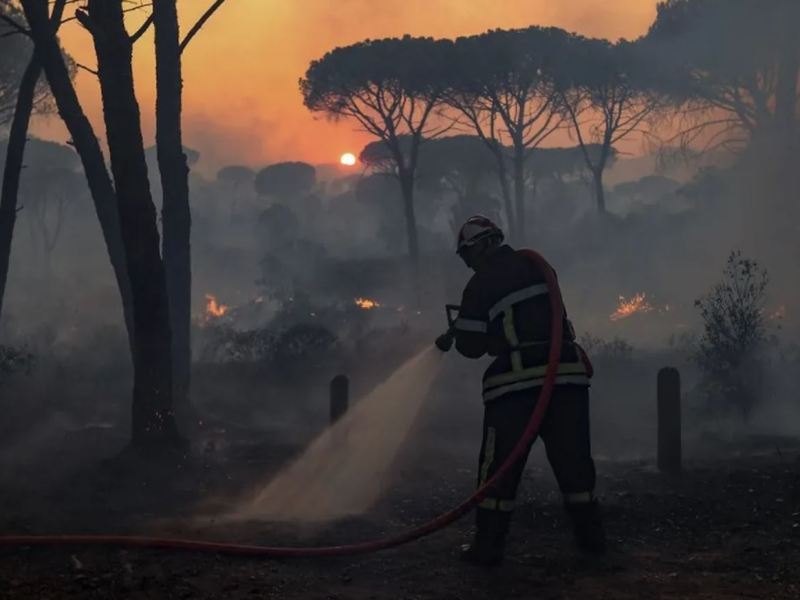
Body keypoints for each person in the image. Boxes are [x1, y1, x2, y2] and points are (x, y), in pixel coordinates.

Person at [436, 215, 605, 566]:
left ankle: (488, 547)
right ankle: (592, 541)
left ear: (483, 244)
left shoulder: (481, 283)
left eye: (467, 253)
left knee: (498, 468)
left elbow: (471, 346)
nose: (467, 262)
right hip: (567, 377)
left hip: (516, 385)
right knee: (574, 461)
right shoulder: (537, 266)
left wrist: (461, 333)